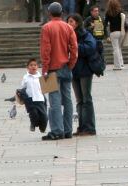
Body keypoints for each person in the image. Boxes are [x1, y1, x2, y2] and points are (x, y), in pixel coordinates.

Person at [40, 2, 77, 141]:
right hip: (66, 67)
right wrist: (71, 64)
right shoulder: (68, 27)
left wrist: (44, 68)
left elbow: (46, 51)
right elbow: (74, 48)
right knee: (67, 99)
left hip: (52, 68)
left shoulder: (46, 27)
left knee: (54, 100)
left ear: (49, 13)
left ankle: (56, 130)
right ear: (62, 13)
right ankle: (68, 130)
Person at [69, 14, 98, 137]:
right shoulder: (68, 35)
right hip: (74, 70)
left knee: (86, 99)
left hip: (85, 70)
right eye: (68, 21)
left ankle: (90, 127)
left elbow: (90, 47)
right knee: (79, 100)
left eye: (72, 21)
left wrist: (75, 47)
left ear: (77, 23)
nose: (69, 23)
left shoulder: (85, 34)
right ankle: (81, 127)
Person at [18, 58, 48, 133]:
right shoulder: (26, 77)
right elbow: (23, 88)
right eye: (31, 65)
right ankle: (33, 124)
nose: (33, 67)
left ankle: (42, 127)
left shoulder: (40, 76)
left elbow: (44, 87)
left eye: (35, 65)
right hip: (30, 99)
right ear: (28, 67)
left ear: (37, 67)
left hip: (40, 99)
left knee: (44, 116)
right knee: (34, 114)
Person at [105, 0, 127, 70]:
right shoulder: (120, 11)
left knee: (115, 49)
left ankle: (117, 66)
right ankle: (121, 64)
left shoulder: (108, 12)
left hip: (113, 32)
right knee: (119, 48)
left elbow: (105, 24)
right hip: (121, 32)